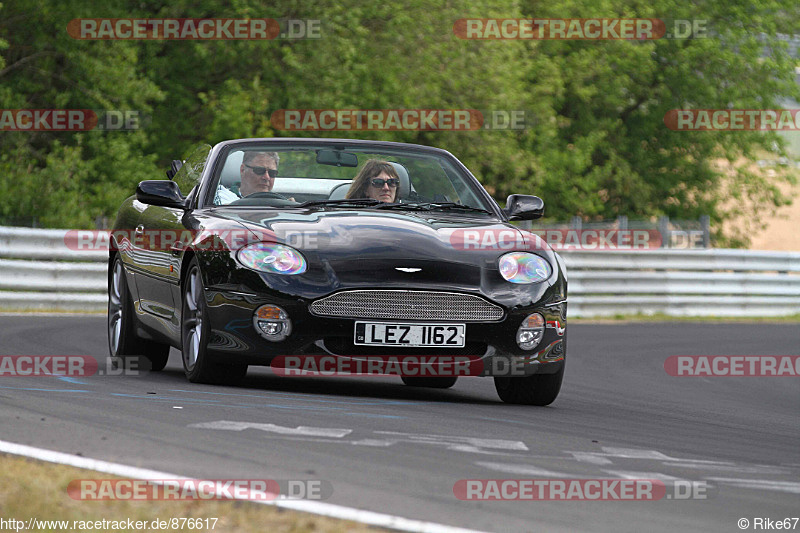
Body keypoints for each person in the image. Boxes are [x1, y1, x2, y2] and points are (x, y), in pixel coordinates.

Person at [215, 151, 280, 204]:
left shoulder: (281, 203)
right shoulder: (222, 197)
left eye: (272, 173)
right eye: (259, 170)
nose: (267, 177)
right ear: (242, 170)